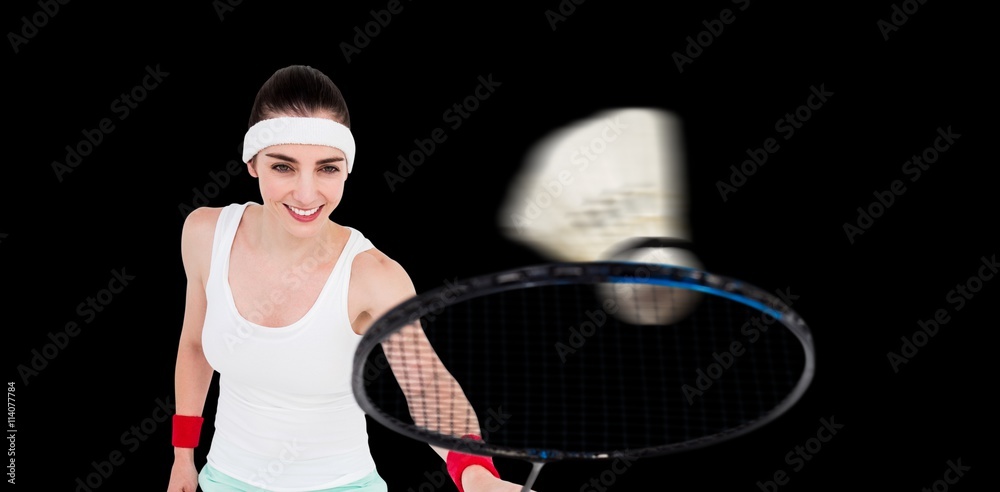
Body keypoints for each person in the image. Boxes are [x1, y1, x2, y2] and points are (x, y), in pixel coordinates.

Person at [166, 65, 532, 492]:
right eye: (284, 167)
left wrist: (475, 473)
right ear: (252, 163)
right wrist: (182, 457)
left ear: (347, 168)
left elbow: (427, 383)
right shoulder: (205, 233)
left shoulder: (374, 275)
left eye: (327, 168)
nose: (306, 194)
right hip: (224, 479)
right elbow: (195, 346)